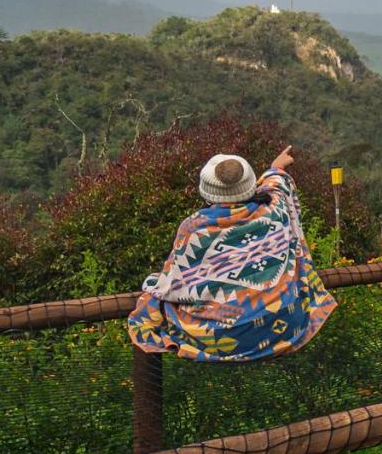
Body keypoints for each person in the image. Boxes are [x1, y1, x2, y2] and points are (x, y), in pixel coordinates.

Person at [127, 145, 336, 362]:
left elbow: (173, 285)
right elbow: (277, 184)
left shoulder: (194, 227)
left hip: (219, 339)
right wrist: (276, 166)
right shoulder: (275, 208)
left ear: (206, 191)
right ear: (251, 185)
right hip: (286, 328)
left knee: (153, 297)